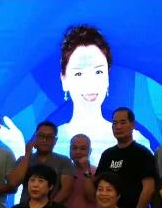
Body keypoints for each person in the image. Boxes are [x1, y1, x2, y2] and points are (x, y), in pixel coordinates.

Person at [53, 25, 148, 166]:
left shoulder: (136, 141)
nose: (90, 83)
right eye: (79, 73)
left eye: (98, 72)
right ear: (64, 79)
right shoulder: (53, 141)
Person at [95, 108, 156, 208]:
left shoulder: (143, 154)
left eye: (123, 122)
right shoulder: (107, 154)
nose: (118, 127)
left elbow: (149, 189)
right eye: (115, 123)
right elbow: (97, 187)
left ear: (132, 125)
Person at [8, 121, 75, 205]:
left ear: (55, 140)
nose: (44, 140)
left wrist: (48, 207)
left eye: (49, 137)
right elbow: (13, 183)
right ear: (35, 138)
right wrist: (27, 154)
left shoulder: (64, 161)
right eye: (41, 136)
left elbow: (67, 189)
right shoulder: (23, 160)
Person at [64, 134, 96, 208]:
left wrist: (86, 169)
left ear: (90, 151)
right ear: (69, 150)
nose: (78, 152)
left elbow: (92, 197)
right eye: (74, 148)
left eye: (82, 148)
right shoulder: (63, 171)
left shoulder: (96, 171)